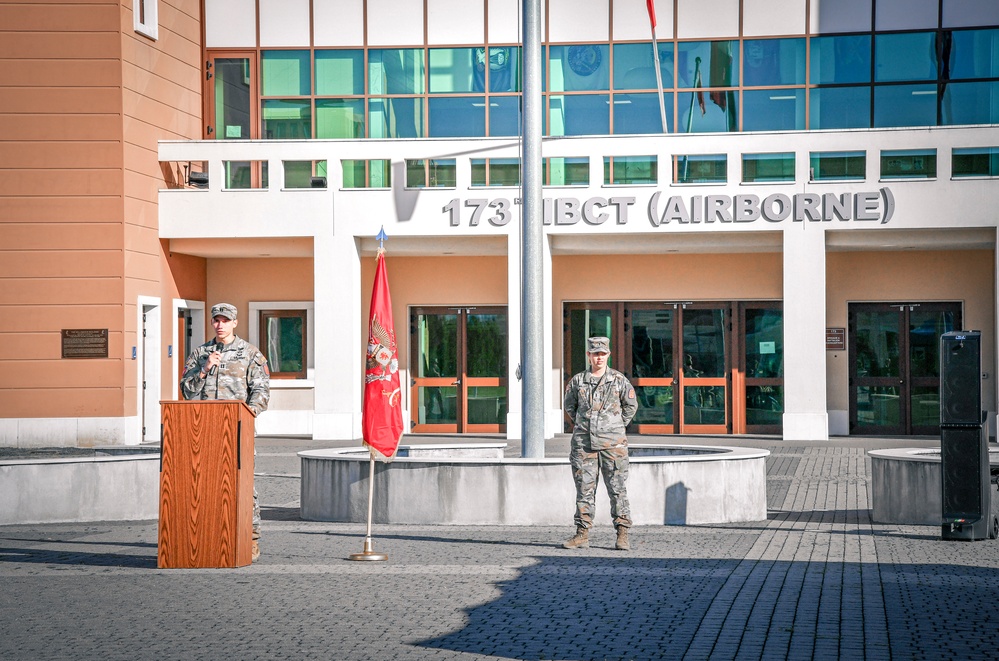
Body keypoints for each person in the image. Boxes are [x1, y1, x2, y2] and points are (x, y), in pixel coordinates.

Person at [181, 302, 270, 562]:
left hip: (238, 429)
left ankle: (250, 538)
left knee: (244, 485)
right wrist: (205, 368)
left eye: (225, 320)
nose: (220, 325)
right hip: (204, 431)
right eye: (216, 320)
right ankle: (210, 536)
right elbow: (187, 392)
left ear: (234, 323)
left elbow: (261, 392)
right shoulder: (200, 353)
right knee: (206, 485)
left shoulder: (250, 353)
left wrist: (249, 414)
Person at [562, 336, 639, 551]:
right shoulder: (578, 381)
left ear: (608, 355)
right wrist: (586, 426)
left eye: (602, 354)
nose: (599, 357)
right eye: (595, 354)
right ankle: (582, 534)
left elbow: (631, 406)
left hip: (613, 445)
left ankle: (622, 534)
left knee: (617, 490)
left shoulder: (618, 380)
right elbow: (570, 408)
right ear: (589, 355)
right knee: (584, 491)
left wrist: (614, 425)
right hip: (584, 445)